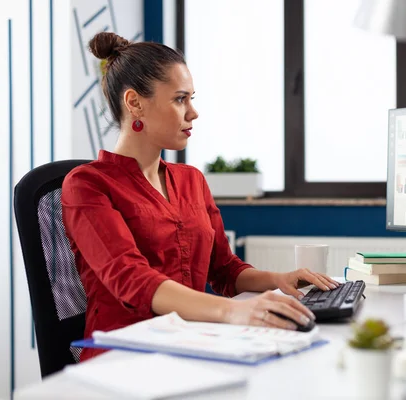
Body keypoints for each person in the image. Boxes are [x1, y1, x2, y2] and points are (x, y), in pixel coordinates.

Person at [61, 32, 339, 361]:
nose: (193, 112)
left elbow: (223, 270)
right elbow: (133, 281)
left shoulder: (191, 180)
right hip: (125, 356)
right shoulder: (87, 185)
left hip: (194, 341)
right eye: (180, 99)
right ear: (135, 103)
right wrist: (234, 312)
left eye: (191, 99)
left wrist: (278, 280)